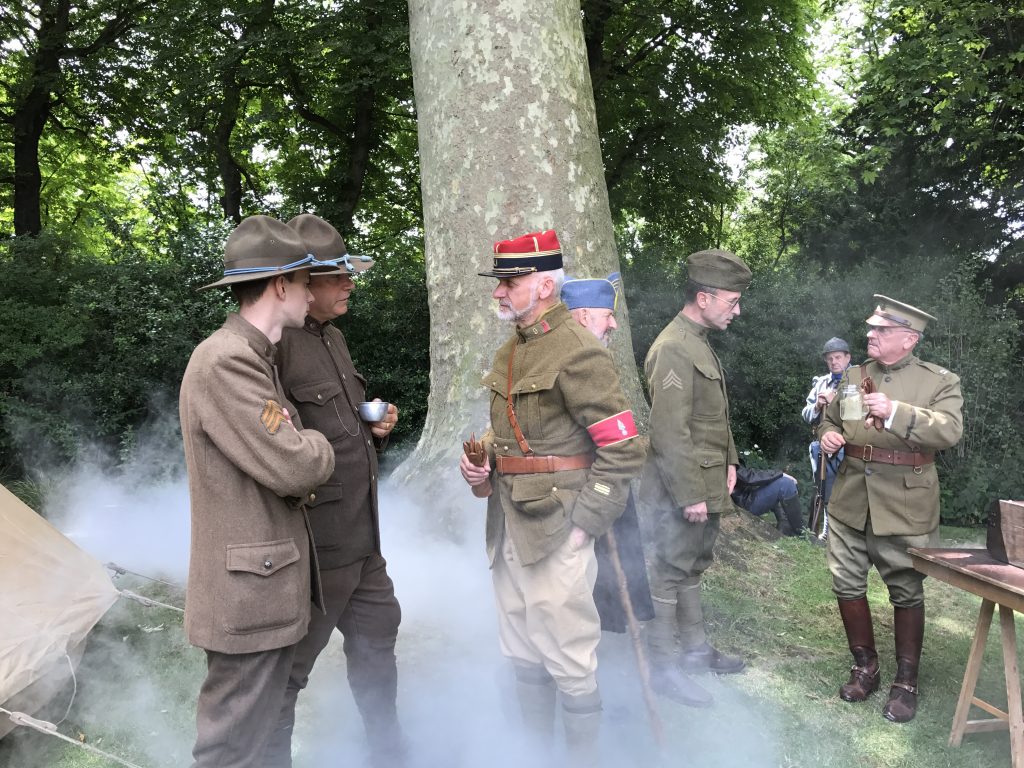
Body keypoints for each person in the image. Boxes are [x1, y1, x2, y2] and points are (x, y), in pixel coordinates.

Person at [458, 231, 644, 762]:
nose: (498, 293)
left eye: (508, 283)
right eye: (499, 283)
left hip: (558, 525)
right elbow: (517, 434)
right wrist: (482, 464)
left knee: (569, 656)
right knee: (519, 647)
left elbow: (623, 447)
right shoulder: (512, 348)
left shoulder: (580, 351)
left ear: (543, 286)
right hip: (508, 521)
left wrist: (588, 520)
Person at [179, 215, 336, 768]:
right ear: (279, 286)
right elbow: (297, 465)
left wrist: (298, 439)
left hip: (263, 590)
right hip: (247, 598)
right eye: (303, 280)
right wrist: (317, 441)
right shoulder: (226, 361)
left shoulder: (254, 356)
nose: (310, 291)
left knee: (265, 740)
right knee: (231, 752)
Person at [263, 214, 403, 768]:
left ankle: (388, 752)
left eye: (348, 273)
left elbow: (337, 428)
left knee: (378, 641)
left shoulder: (334, 337)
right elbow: (278, 448)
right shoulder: (275, 347)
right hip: (318, 548)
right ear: (301, 283)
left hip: (364, 540)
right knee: (289, 672)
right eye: (336, 276)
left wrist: (374, 431)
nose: (349, 283)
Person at [820, 295, 963, 723]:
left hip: (904, 498)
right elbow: (830, 416)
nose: (870, 335)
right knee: (846, 583)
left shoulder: (939, 381)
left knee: (905, 588)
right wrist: (828, 434)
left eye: (881, 330)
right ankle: (865, 668)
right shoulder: (853, 375)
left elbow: (950, 430)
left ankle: (906, 681)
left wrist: (897, 411)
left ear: (909, 338)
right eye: (872, 329)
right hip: (849, 497)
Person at [639, 248, 752, 708]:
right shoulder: (672, 347)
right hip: (679, 487)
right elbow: (668, 430)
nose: (737, 310)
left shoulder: (697, 341)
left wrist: (730, 461)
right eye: (731, 300)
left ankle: (695, 653)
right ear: (703, 297)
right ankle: (665, 669)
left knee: (692, 565)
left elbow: (711, 418)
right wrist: (689, 494)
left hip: (705, 480)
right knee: (668, 572)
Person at [561, 273, 655, 632]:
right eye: (607, 315)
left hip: (605, 483)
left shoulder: (597, 359)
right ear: (583, 317)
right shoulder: (569, 360)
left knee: (617, 578)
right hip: (575, 492)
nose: (615, 323)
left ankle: (611, 648)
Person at [803, 337, 852, 532]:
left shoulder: (860, 380)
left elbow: (860, 415)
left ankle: (847, 530)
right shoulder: (821, 382)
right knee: (825, 486)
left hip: (851, 445)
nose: (834, 362)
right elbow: (806, 415)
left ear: (848, 358)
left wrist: (835, 402)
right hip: (824, 443)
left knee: (849, 488)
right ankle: (826, 528)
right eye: (830, 359)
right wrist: (816, 406)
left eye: (838, 357)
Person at [730, 466, 802, 536]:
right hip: (743, 502)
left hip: (744, 498)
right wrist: (780, 474)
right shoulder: (723, 457)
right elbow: (747, 476)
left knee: (774, 482)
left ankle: (785, 523)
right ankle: (801, 531)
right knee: (786, 484)